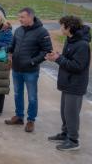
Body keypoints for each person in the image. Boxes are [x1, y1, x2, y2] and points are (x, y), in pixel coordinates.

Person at [45, 16, 90, 151]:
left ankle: (73, 140)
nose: (60, 28)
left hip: (75, 85)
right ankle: (65, 134)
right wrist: (57, 57)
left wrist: (59, 59)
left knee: (71, 113)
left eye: (62, 25)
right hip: (67, 82)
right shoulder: (70, 40)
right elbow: (67, 59)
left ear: (68, 27)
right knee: (65, 112)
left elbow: (78, 66)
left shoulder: (82, 45)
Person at [5, 7, 53, 133]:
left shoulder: (42, 32)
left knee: (32, 97)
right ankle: (19, 117)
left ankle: (31, 120)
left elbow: (47, 51)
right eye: (19, 17)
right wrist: (8, 51)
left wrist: (32, 62)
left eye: (22, 17)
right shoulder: (19, 30)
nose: (19, 19)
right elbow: (13, 45)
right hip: (16, 68)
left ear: (31, 17)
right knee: (17, 94)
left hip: (30, 71)